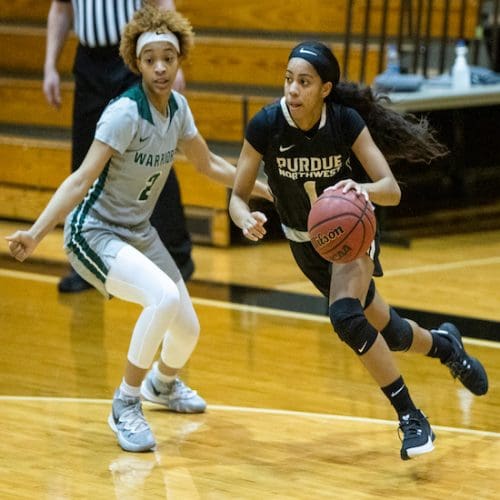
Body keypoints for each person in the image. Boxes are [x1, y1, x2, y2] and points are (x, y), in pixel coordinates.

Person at [6, 5, 271, 453]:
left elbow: (207, 164)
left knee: (187, 330)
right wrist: (36, 233)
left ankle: (162, 386)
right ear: (137, 63)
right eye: (151, 60)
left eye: (169, 57)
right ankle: (125, 404)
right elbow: (78, 180)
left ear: (180, 57)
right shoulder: (123, 113)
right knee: (163, 298)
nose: (161, 67)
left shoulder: (179, 108)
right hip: (94, 232)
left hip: (138, 231)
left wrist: (257, 186)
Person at [229, 41, 489, 461]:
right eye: (288, 79)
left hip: (352, 235)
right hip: (305, 245)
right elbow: (237, 197)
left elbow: (391, 190)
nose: (292, 90)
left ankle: (411, 416)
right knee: (391, 332)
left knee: (345, 316)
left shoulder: (345, 122)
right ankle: (446, 347)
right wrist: (244, 217)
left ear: (326, 88)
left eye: (304, 82)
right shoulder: (266, 125)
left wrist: (360, 188)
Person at [43, 0, 194, 293]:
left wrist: (174, 64)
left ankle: (178, 254)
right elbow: (61, 9)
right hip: (88, 64)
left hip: (131, 62)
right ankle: (86, 262)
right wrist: (50, 65)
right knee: (84, 162)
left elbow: (161, 2)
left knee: (151, 157)